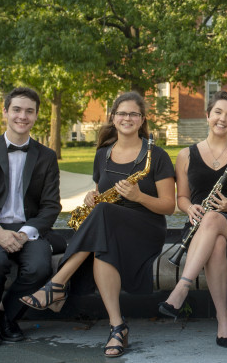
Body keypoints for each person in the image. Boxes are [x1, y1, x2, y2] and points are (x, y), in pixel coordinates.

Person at [20, 91, 175, 358]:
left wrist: (138, 196)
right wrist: (90, 198)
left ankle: (57, 285)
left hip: (146, 229)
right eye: (122, 113)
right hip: (109, 229)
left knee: (104, 216)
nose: (127, 118)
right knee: (103, 237)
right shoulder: (103, 154)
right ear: (113, 118)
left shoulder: (156, 155)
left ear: (142, 119)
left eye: (133, 114)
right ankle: (118, 327)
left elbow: (169, 206)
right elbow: (98, 193)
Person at [0, 87, 61, 346]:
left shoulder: (47, 157)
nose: (22, 116)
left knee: (40, 267)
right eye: (16, 109)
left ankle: (2, 316)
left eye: (29, 111)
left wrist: (25, 232)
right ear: (5, 112)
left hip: (29, 228)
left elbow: (51, 206)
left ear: (37, 116)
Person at [159, 90, 227, 347]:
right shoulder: (185, 155)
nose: (222, 119)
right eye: (218, 112)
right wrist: (189, 208)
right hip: (197, 228)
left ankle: (181, 288)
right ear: (207, 115)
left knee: (214, 219)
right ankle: (223, 320)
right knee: (216, 244)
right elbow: (181, 197)